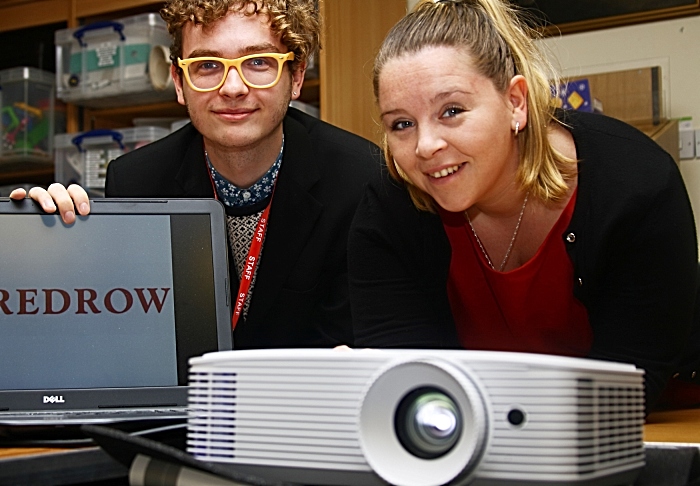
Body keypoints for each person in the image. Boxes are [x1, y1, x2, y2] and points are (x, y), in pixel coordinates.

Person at [347, 0, 698, 411]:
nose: (425, 146)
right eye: (401, 124)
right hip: (482, 434)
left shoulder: (635, 185)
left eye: (452, 111)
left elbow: (626, 388)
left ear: (515, 102)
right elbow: (410, 387)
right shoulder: (390, 208)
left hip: (659, 420)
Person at [11, 0, 378, 350]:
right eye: (207, 66)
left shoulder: (359, 178)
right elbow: (125, 331)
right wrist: (55, 247)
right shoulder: (137, 181)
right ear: (178, 81)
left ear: (296, 76)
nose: (233, 88)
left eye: (258, 62)